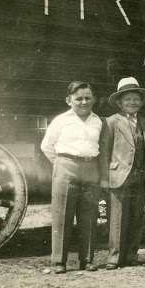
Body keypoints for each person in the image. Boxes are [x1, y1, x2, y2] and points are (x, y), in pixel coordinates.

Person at [41, 81, 101, 274]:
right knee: (62, 215)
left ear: (94, 100)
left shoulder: (98, 121)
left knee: (89, 215)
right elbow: (46, 147)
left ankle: (87, 260)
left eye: (88, 98)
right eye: (79, 99)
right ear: (69, 100)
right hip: (65, 166)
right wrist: (61, 164)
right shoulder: (61, 120)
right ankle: (59, 261)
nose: (84, 102)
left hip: (91, 167)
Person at [99, 77, 145, 270]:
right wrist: (104, 178)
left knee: (137, 217)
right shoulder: (111, 122)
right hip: (118, 176)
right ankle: (114, 257)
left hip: (139, 177)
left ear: (141, 102)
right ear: (119, 102)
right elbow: (104, 152)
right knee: (117, 218)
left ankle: (132, 255)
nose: (132, 103)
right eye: (128, 99)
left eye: (136, 99)